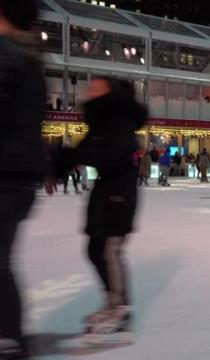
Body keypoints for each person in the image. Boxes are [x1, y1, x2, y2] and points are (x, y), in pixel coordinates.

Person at [50, 76, 147, 343]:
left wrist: (75, 156)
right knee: (95, 249)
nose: (89, 91)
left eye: (96, 87)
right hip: (106, 190)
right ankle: (113, 302)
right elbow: (86, 150)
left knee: (109, 250)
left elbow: (111, 153)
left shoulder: (119, 119)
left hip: (119, 192)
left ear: (110, 92)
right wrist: (58, 166)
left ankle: (120, 310)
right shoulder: (101, 120)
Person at [0, 1, 46, 356]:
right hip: (19, 174)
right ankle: (10, 334)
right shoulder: (29, 60)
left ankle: (9, 336)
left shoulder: (8, 57)